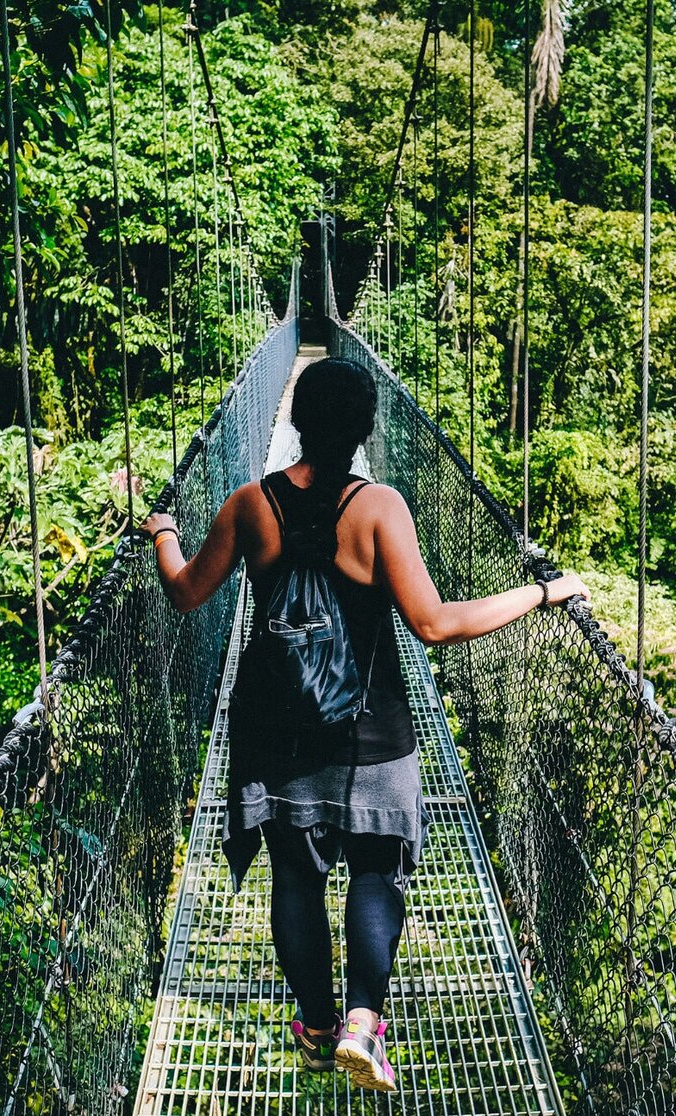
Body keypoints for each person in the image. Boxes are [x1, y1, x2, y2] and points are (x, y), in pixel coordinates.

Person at [142, 357, 587, 1093]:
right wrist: (542, 593)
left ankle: (315, 1028)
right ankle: (361, 1024)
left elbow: (187, 594)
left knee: (295, 875)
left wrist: (163, 532)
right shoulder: (381, 508)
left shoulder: (251, 504)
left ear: (291, 423)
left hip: (278, 732)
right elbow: (434, 625)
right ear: (365, 429)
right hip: (372, 732)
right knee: (377, 869)